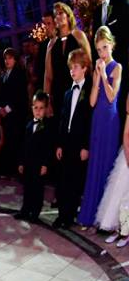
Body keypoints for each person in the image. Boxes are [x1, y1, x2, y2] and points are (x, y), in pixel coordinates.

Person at [77, 26, 122, 229]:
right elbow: (93, 102)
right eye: (99, 50)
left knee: (108, 163)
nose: (102, 53)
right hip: (98, 119)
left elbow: (112, 96)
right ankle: (90, 214)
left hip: (111, 122)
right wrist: (96, 77)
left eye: (105, 48)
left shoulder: (117, 67)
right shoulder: (98, 68)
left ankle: (106, 218)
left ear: (111, 45)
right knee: (95, 165)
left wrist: (104, 75)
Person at [54, 48, 93, 229]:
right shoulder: (68, 93)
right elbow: (63, 120)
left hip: (79, 144)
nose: (72, 71)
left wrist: (86, 146)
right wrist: (60, 144)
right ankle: (62, 214)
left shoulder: (90, 91)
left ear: (84, 68)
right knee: (63, 181)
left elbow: (89, 122)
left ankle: (69, 216)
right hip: (67, 142)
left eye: (76, 67)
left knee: (75, 182)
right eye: (71, 67)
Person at [92, 0, 129, 125]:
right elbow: (95, 47)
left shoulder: (122, 2)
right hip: (104, 78)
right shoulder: (95, 13)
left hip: (123, 73)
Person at [44, 2, 91, 119]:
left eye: (61, 13)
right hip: (60, 95)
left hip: (80, 90)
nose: (58, 17)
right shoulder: (52, 44)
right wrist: (47, 102)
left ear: (68, 15)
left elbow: (90, 63)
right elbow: (48, 77)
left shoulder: (79, 35)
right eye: (55, 15)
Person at [14, 92, 54, 224]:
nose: (38, 111)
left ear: (46, 109)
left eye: (41, 108)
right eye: (35, 107)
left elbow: (48, 148)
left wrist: (45, 164)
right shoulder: (29, 125)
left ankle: (35, 213)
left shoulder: (48, 127)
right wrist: (21, 162)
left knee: (37, 189)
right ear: (32, 108)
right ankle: (25, 209)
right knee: (27, 188)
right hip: (28, 163)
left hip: (39, 164)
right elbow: (23, 145)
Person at [96, 98, 129, 245]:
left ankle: (125, 232)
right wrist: (128, 155)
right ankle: (116, 229)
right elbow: (126, 134)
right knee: (117, 191)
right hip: (127, 156)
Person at [0, 48, 30, 177]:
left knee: (15, 142)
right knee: (7, 142)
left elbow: (20, 96)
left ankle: (17, 171)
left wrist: (7, 109)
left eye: (10, 58)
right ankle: (8, 169)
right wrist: (0, 107)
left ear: (15, 59)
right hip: (5, 115)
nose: (7, 61)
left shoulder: (20, 73)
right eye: (5, 58)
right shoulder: (3, 74)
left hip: (16, 114)